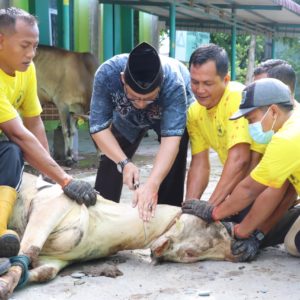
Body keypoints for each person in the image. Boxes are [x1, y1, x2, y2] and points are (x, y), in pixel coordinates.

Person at [0, 7, 97, 259]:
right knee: (14, 146)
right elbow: (19, 134)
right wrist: (66, 179)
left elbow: (34, 123)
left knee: (12, 153)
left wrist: (50, 178)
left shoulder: (27, 70)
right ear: (0, 41)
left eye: (34, 46)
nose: (31, 54)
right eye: (24, 46)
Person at [183, 78, 300, 261]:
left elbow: (250, 189)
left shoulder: (287, 139)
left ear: (273, 111)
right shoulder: (293, 116)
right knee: (293, 245)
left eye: (251, 119)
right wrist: (253, 233)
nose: (249, 125)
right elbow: (287, 190)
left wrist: (213, 212)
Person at [90, 42, 193, 221]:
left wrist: (152, 184)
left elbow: (171, 141)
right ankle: (101, 216)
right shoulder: (107, 74)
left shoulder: (174, 82)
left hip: (167, 115)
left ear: (161, 85)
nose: (141, 104)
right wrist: (124, 163)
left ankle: (165, 220)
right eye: (134, 97)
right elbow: (99, 128)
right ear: (123, 79)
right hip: (126, 117)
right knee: (111, 160)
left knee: (174, 161)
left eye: (149, 98)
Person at [185, 43, 264, 206]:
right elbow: (200, 163)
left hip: (266, 182)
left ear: (226, 80)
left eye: (207, 83)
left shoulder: (236, 97)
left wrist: (211, 206)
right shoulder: (194, 112)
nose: (200, 90)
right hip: (242, 186)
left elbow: (240, 159)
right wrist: (190, 205)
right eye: (194, 82)